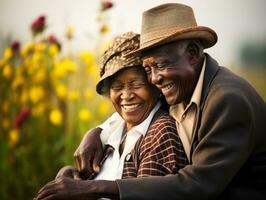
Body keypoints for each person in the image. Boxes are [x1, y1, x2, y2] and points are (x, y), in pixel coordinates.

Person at [72, 3, 266, 200]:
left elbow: (199, 185)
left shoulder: (227, 99)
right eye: (148, 70)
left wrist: (94, 188)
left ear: (192, 53)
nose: (154, 79)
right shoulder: (180, 85)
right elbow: (134, 109)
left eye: (161, 64)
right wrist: (96, 132)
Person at [34, 31, 188, 200]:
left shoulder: (161, 132)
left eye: (136, 84)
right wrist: (69, 175)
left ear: (155, 86)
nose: (126, 95)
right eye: (117, 87)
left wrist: (83, 190)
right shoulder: (112, 134)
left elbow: (146, 194)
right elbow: (81, 184)